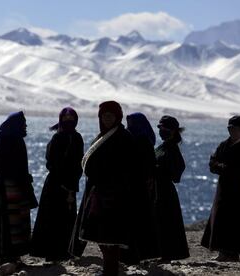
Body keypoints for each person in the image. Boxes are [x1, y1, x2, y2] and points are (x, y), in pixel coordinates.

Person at [69, 101, 134, 276]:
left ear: (117, 117)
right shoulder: (102, 137)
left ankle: (110, 271)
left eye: (110, 116)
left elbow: (124, 168)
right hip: (99, 193)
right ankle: (110, 270)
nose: (107, 119)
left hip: (114, 197)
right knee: (102, 238)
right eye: (104, 116)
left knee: (111, 239)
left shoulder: (123, 138)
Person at [201, 115, 240, 262]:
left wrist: (232, 169)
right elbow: (212, 163)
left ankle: (233, 253)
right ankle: (222, 252)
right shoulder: (223, 145)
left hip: (238, 188)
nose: (233, 131)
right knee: (220, 217)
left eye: (236, 129)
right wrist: (223, 168)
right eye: (231, 128)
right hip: (223, 187)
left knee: (236, 219)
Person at [0, 111, 38, 267]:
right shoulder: (13, 141)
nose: (26, 126)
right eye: (23, 123)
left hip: (8, 186)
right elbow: (5, 167)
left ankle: (8, 255)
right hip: (9, 188)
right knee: (9, 222)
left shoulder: (6, 140)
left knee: (8, 222)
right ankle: (9, 255)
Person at [30, 107, 84, 262]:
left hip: (70, 184)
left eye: (71, 118)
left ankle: (66, 250)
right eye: (65, 118)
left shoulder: (78, 138)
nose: (69, 121)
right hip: (55, 184)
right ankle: (50, 252)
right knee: (52, 217)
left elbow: (80, 161)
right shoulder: (56, 139)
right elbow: (51, 162)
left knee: (67, 218)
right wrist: (62, 181)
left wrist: (73, 181)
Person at [120, 112, 159, 264]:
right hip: (132, 187)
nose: (130, 127)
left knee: (138, 222)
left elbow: (148, 166)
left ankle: (137, 256)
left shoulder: (142, 141)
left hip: (139, 188)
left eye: (132, 123)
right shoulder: (133, 139)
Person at [154, 115, 190, 261]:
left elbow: (178, 169)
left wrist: (161, 171)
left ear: (174, 131)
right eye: (161, 128)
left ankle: (168, 254)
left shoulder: (172, 148)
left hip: (165, 190)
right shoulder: (162, 146)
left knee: (166, 221)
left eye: (165, 128)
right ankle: (160, 252)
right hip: (158, 188)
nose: (162, 131)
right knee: (160, 220)